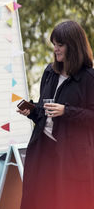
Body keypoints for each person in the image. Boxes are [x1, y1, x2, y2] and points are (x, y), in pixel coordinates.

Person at [17, 20, 94, 209]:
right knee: (39, 199)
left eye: (60, 45)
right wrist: (32, 112)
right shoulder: (50, 72)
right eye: (54, 45)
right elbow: (45, 114)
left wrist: (66, 111)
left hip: (71, 157)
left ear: (74, 46)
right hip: (43, 150)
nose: (56, 49)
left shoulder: (89, 78)